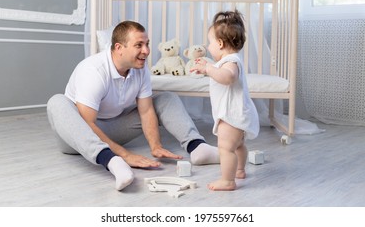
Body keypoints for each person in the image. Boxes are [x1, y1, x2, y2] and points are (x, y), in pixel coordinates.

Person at [47, 20, 219, 191]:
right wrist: (125, 155)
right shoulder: (93, 70)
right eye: (139, 45)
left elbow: (146, 111)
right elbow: (88, 124)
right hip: (77, 137)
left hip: (113, 129)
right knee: (57, 101)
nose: (146, 51)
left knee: (166, 98)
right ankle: (112, 161)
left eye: (147, 44)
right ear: (119, 48)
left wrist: (155, 145)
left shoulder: (140, 68)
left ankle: (197, 147)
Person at [190, 10, 259, 191]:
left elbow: (228, 77)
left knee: (225, 147)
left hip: (231, 115)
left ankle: (228, 180)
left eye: (210, 42)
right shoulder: (228, 60)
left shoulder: (231, 62)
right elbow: (219, 72)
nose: (209, 46)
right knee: (238, 145)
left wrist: (208, 70)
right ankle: (240, 169)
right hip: (236, 114)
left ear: (220, 44)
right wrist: (207, 68)